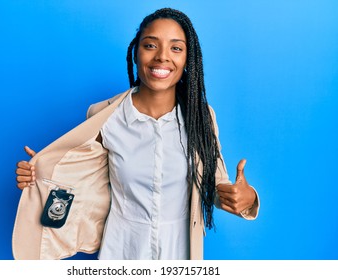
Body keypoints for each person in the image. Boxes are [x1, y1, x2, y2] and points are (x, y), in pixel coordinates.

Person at [13, 8, 259, 260]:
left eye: (176, 48)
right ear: (135, 52)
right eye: (150, 45)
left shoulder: (201, 116)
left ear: (188, 59)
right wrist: (41, 173)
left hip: (181, 252)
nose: (162, 57)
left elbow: (216, 186)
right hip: (121, 250)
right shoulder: (104, 115)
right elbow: (79, 179)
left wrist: (247, 198)